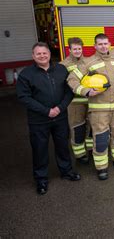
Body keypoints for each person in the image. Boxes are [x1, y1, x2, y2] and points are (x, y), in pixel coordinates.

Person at [17, 42, 80, 195]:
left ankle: (66, 171)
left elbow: (69, 92)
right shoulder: (26, 74)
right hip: (39, 120)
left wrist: (60, 108)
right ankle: (41, 179)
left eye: (44, 53)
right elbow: (24, 97)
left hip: (60, 117)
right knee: (40, 150)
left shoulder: (61, 69)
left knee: (62, 146)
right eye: (38, 54)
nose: (42, 56)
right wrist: (46, 111)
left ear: (49, 54)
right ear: (33, 56)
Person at [68, 34, 114, 181]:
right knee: (101, 138)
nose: (103, 46)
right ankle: (101, 167)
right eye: (100, 44)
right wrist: (86, 91)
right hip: (98, 109)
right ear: (95, 46)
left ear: (110, 44)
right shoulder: (88, 62)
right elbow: (72, 79)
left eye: (105, 43)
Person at [59, 37, 92, 164]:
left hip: (89, 99)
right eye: (75, 49)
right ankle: (80, 154)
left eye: (79, 48)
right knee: (77, 127)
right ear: (69, 49)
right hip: (74, 101)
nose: (77, 51)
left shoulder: (89, 61)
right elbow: (61, 85)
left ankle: (90, 149)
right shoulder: (63, 65)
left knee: (91, 126)